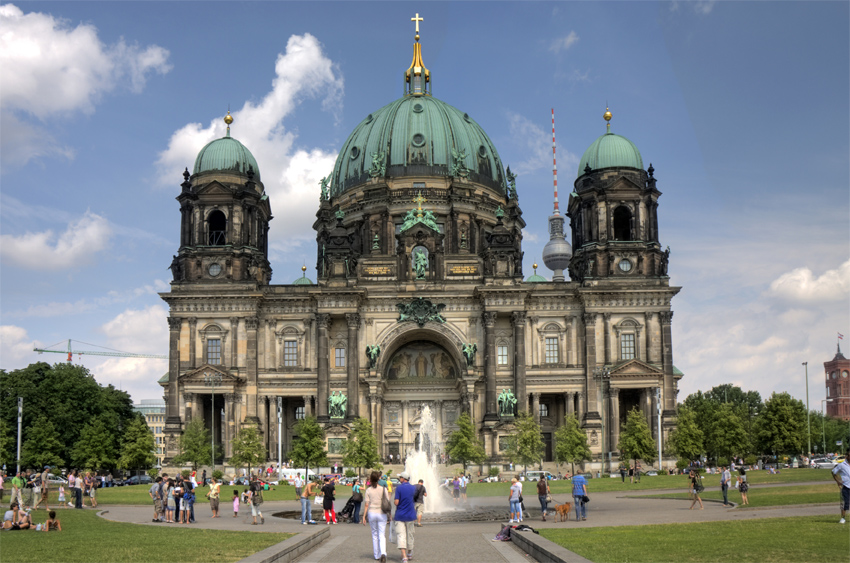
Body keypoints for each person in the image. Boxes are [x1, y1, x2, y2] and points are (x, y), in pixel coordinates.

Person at [362, 470, 390, 563]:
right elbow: (387, 502)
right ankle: (383, 553)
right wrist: (389, 514)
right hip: (381, 512)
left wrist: (364, 516)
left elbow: (366, 504)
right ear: (378, 478)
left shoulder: (368, 490)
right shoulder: (383, 489)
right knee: (382, 534)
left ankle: (376, 555)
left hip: (372, 512)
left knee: (374, 534)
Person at [394, 471, 417, 563]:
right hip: (411, 515)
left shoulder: (399, 488)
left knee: (401, 535)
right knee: (410, 534)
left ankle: (404, 557)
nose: (399, 479)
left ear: (403, 478)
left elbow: (396, 502)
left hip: (400, 515)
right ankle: (410, 553)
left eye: (400, 478)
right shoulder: (413, 488)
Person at [831, 451, 850, 524]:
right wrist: (838, 481)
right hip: (846, 486)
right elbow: (833, 472)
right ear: (847, 457)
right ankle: (843, 518)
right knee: (845, 503)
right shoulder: (842, 465)